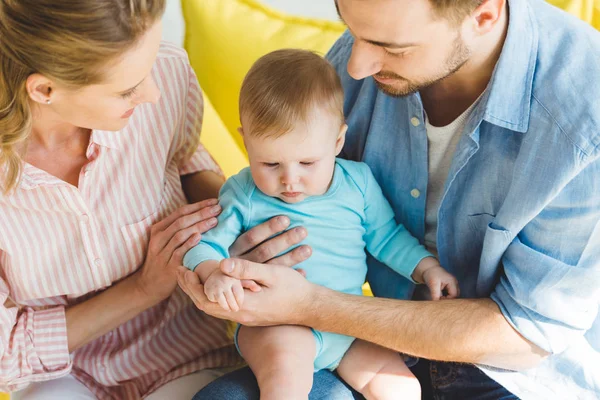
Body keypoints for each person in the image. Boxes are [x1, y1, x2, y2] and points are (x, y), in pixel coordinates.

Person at [181, 0, 600, 399]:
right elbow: (305, 201)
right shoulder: (362, 52)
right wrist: (234, 260)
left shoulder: (582, 120)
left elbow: (528, 332)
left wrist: (316, 305)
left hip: (510, 373)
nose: (355, 66)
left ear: (484, 16)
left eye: (390, 47)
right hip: (354, 331)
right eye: (351, 28)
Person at [0, 1, 311, 398]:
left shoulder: (167, 72)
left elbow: (183, 161)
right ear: (44, 89)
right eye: (128, 89)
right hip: (65, 371)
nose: (153, 93)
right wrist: (142, 289)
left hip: (186, 348)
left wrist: (246, 227)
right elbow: (6, 354)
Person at [183, 49, 460, 400]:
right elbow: (204, 246)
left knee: (402, 388)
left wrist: (426, 268)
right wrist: (213, 272)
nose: (290, 180)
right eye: (270, 163)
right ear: (245, 141)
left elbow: (387, 237)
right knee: (287, 380)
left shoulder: (358, 183)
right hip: (277, 324)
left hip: (345, 323)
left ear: (338, 141)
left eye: (307, 162)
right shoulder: (243, 193)